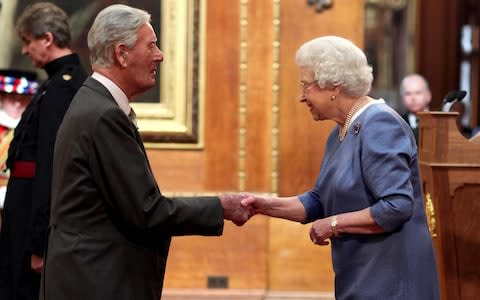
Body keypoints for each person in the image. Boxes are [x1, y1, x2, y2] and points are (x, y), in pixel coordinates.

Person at [41, 4, 251, 300]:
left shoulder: (94, 103)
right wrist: (221, 206)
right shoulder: (102, 114)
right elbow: (146, 211)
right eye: (151, 45)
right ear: (121, 53)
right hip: (96, 282)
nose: (160, 55)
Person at [241, 36, 439, 299]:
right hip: (361, 277)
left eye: (306, 86)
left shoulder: (379, 124)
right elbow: (318, 201)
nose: (301, 97)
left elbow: (396, 206)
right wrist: (264, 206)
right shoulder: (340, 133)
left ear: (333, 86)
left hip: (392, 280)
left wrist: (334, 224)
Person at [0, 3, 87, 300]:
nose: (24, 50)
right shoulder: (55, 84)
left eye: (28, 41)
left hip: (30, 225)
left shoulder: (62, 89)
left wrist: (39, 244)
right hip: (23, 216)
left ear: (47, 39)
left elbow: (52, 169)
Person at [0, 69, 39, 206]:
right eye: (12, 97)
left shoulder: (38, 130)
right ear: (2, 97)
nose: (18, 104)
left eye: (24, 98)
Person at [399, 73, 432, 143]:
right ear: (402, 98)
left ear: (428, 95)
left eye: (418, 93)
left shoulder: (439, 122)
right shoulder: (398, 123)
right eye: (408, 93)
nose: (413, 98)